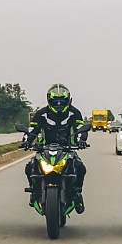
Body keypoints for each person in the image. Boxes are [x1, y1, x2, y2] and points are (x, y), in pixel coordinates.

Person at [20, 83, 89, 213]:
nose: (58, 104)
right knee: (30, 167)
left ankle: (77, 194)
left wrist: (81, 141)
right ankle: (34, 192)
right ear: (49, 100)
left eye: (61, 101)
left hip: (67, 149)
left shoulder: (74, 113)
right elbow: (32, 130)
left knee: (80, 167)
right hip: (44, 149)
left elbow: (81, 129)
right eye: (55, 101)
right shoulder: (41, 114)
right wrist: (26, 141)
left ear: (67, 100)